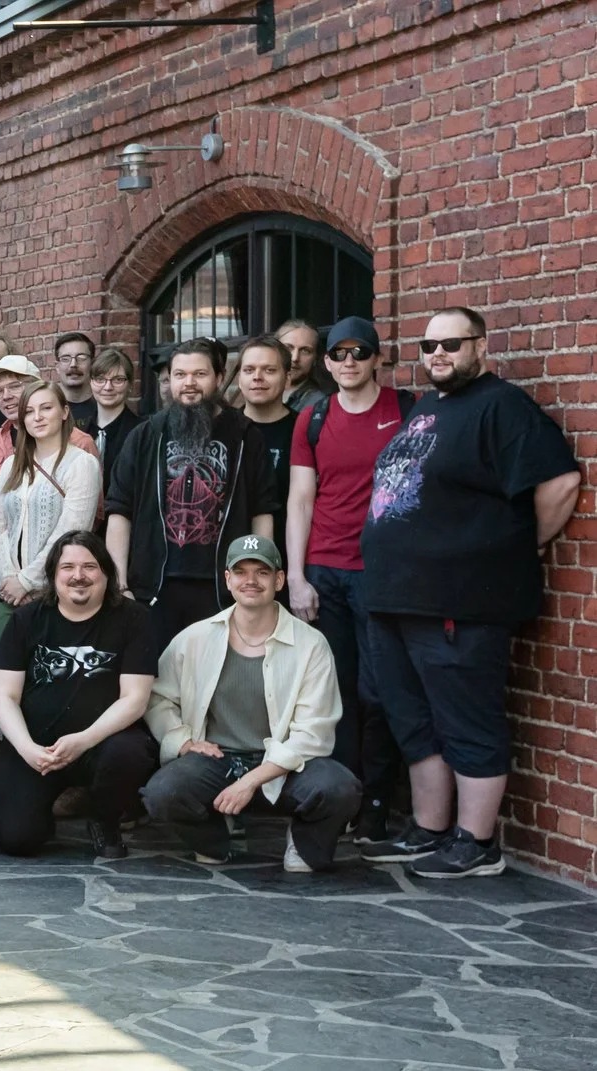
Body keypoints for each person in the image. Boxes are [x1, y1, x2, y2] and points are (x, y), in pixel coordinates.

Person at [358, 307, 580, 879]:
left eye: (451, 344)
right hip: (395, 596)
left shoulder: (502, 406)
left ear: (480, 346)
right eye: (429, 346)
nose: (438, 355)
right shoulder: (427, 407)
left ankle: (477, 842)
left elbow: (560, 481)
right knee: (413, 720)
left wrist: (519, 546)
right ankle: (430, 828)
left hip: (459, 600)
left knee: (466, 718)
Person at [141, 534, 360, 871]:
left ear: (279, 580)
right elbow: (159, 696)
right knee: (163, 792)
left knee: (339, 788)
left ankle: (305, 841)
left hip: (288, 767)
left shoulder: (310, 644)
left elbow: (313, 733)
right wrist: (183, 742)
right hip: (219, 761)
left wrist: (250, 781)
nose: (251, 581)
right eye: (241, 572)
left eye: (262, 572)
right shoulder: (196, 637)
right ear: (228, 579)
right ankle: (214, 840)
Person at [284, 316, 407, 841]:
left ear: (377, 358)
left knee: (379, 692)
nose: (349, 361)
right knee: (332, 694)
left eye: (360, 352)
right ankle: (343, 798)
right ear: (327, 363)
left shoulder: (406, 411)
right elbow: (300, 500)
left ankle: (376, 804)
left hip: (384, 572)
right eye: (339, 353)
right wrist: (296, 576)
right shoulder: (312, 419)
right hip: (325, 573)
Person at [0, 530, 160, 858]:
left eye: (89, 567)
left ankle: (104, 818)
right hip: (37, 745)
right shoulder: (26, 620)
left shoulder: (133, 618)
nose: (78, 576)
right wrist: (27, 749)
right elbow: (4, 697)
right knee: (16, 838)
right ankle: (44, 810)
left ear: (106, 574)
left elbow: (135, 699)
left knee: (130, 753)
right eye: (67, 567)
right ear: (53, 575)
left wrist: (83, 740)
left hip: (101, 744)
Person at [106, 338, 281, 655]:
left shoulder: (245, 437)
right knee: (154, 678)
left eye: (199, 374)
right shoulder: (145, 435)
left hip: (224, 589)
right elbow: (120, 511)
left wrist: (259, 577)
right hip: (153, 590)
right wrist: (120, 585)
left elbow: (262, 510)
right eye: (180, 375)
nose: (189, 383)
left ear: (219, 377)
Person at [0, 382, 103, 624]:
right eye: (29, 411)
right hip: (8, 595)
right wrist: (8, 580)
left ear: (64, 412)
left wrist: (26, 581)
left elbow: (69, 532)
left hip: (55, 594)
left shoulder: (81, 464)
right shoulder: (10, 465)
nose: (37, 417)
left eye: (46, 408)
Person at [235, 335, 297, 499]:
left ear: (287, 379)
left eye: (269, 370)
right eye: (249, 370)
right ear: (239, 380)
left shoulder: (304, 429)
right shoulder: (223, 429)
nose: (257, 377)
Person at [88, 348, 142, 473]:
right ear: (90, 382)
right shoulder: (79, 432)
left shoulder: (141, 433)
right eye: (100, 379)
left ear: (130, 384)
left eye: (118, 380)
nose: (108, 387)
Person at [277, 318, 330, 411]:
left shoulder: (319, 404)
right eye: (288, 348)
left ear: (315, 358)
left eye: (305, 351)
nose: (295, 358)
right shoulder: (255, 391)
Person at [52, 333, 100, 432]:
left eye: (81, 358)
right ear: (57, 367)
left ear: (92, 363)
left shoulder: (104, 405)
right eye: (65, 359)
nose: (73, 364)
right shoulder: (47, 406)